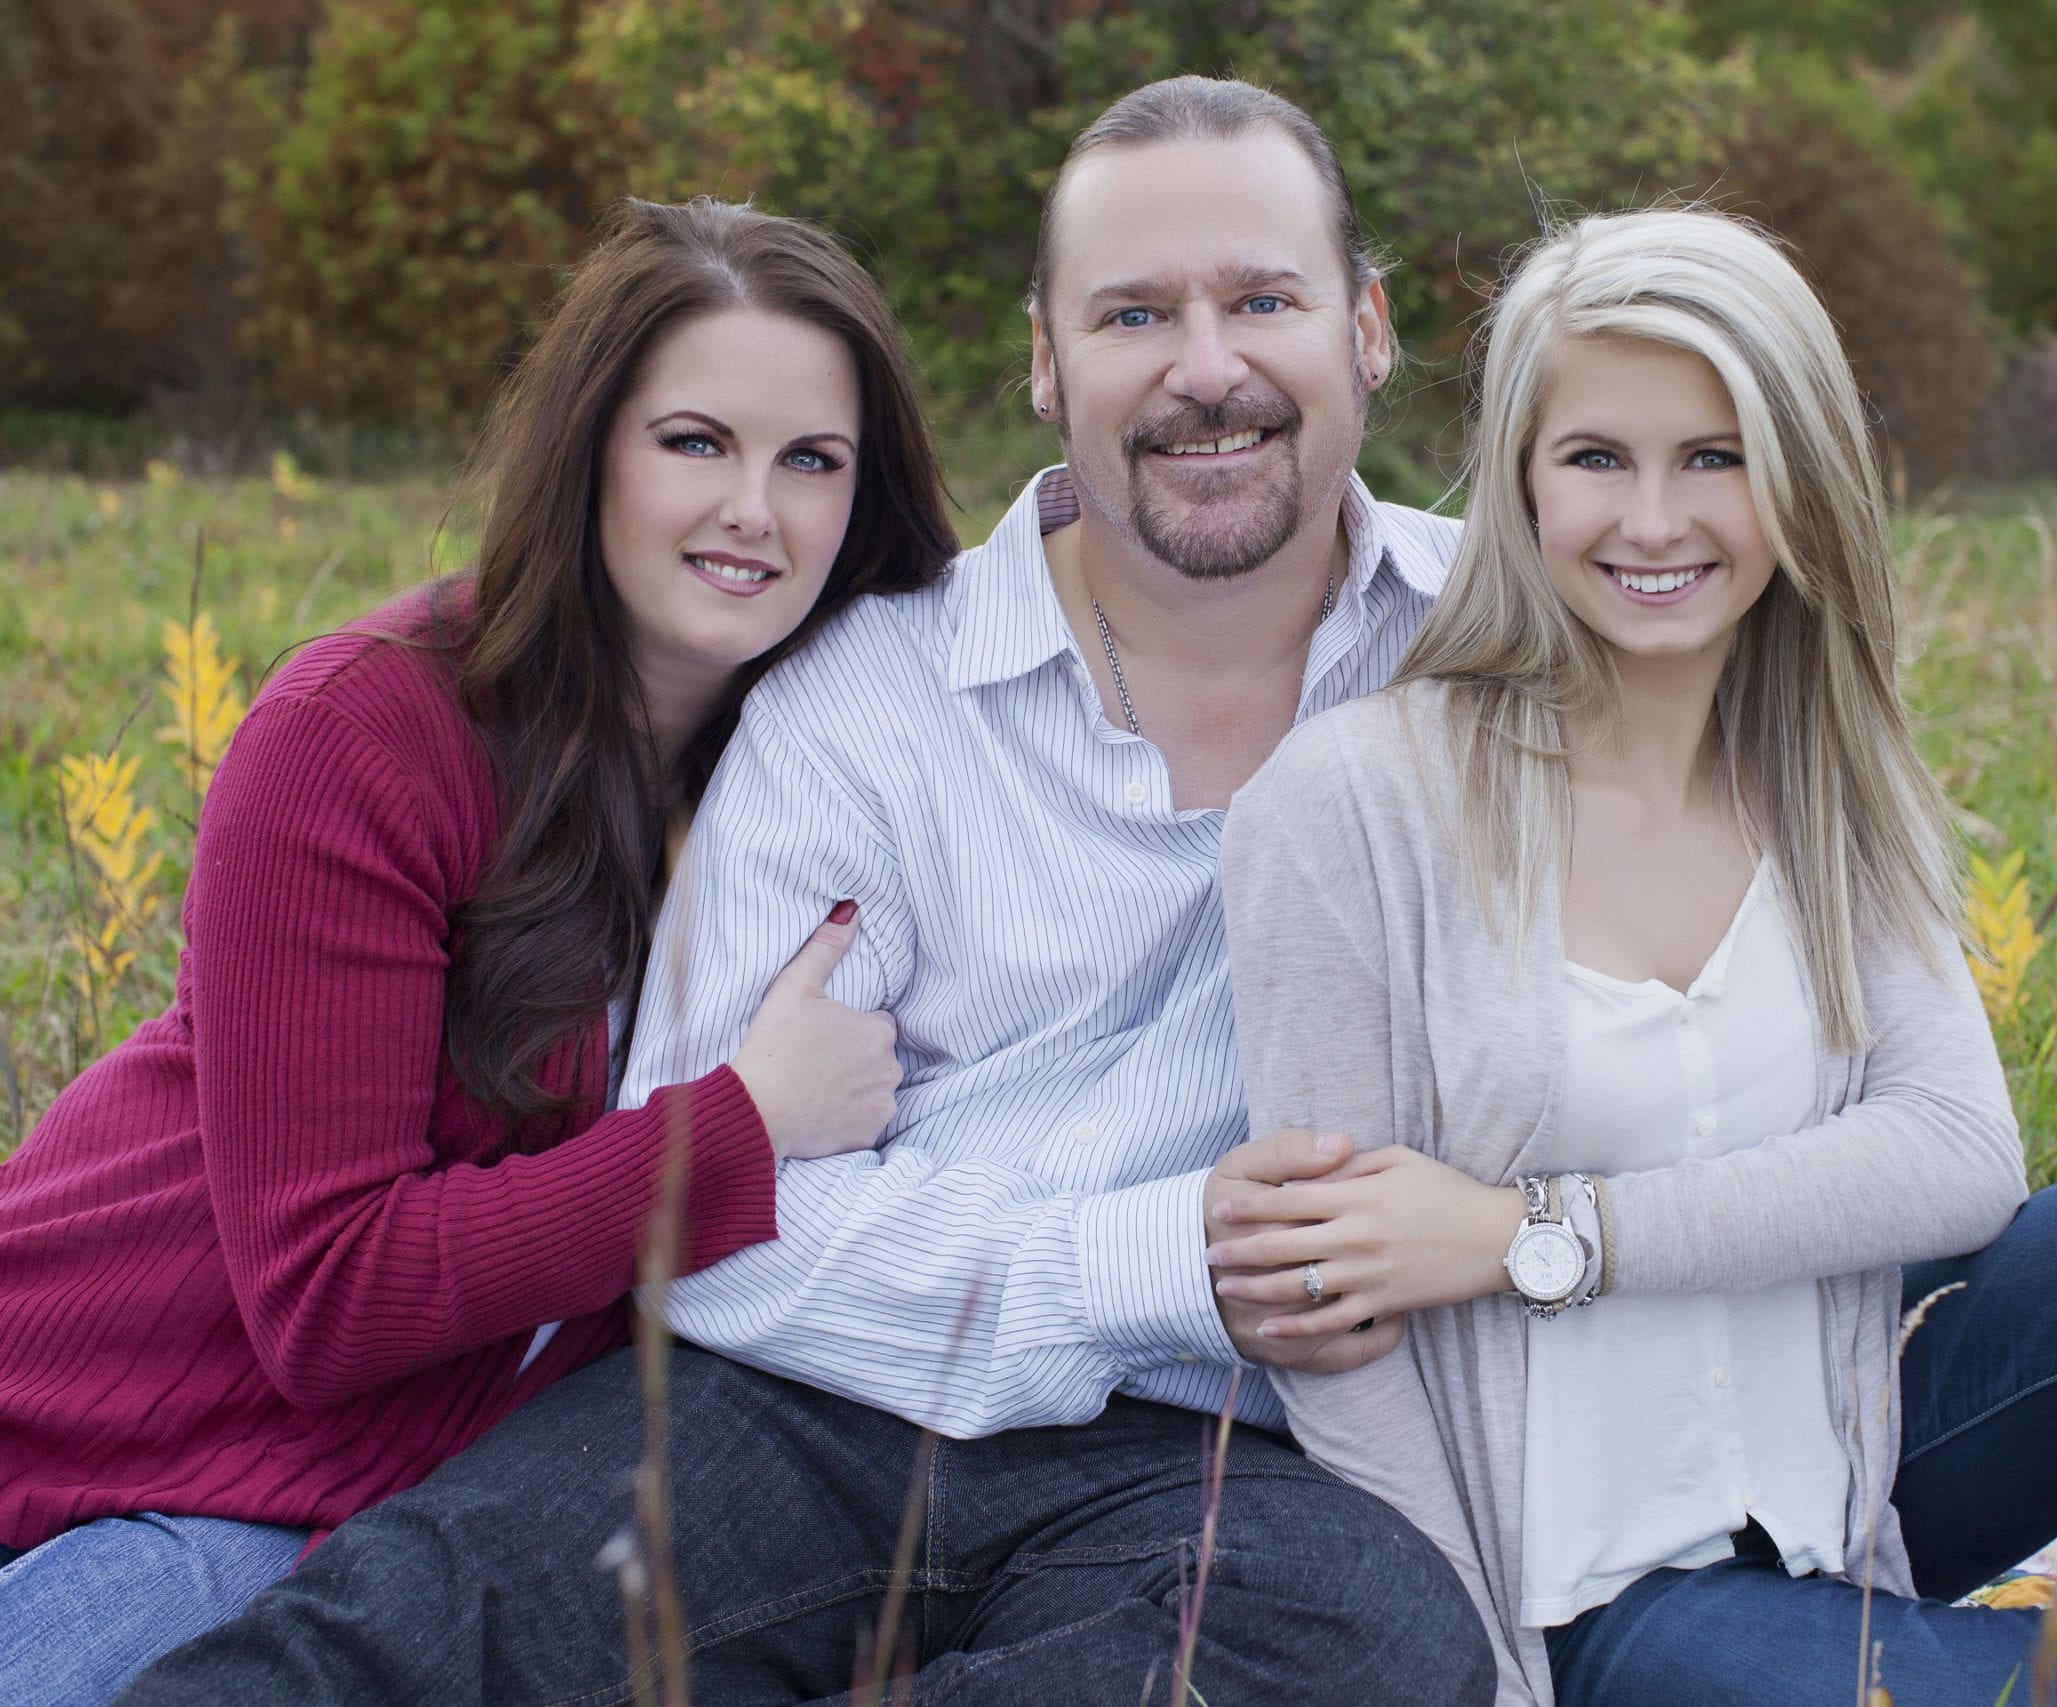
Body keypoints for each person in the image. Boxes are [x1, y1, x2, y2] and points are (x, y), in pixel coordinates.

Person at [113, 79, 1494, 1706]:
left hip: (1203, 1450)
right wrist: (1154, 1257)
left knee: (1374, 1644)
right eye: (1134, 312)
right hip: (790, 1395)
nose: (1205, 365)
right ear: (1048, 360)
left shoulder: (1499, 655)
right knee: (395, 1639)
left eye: (1264, 298)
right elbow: (724, 1246)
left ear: (1372, 328)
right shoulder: (866, 688)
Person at [1215, 205, 2057, 1706]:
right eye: (1596, 457)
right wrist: (1468, 1669)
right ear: (1522, 480)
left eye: (1714, 457)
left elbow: (1956, 1154)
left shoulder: (1816, 763)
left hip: (1860, 1461)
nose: (1654, 522)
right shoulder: (1348, 812)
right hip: (1589, 1594)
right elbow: (1332, 1338)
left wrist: (1537, 1235)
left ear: (1799, 477)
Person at [0, 197, 951, 1704]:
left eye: (811, 461)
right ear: (589, 451)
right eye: (695, 442)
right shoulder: (367, 733)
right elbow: (327, 1295)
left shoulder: (830, 782)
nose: (753, 513)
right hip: (114, 1444)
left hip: (395, 1519)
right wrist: (744, 1132)